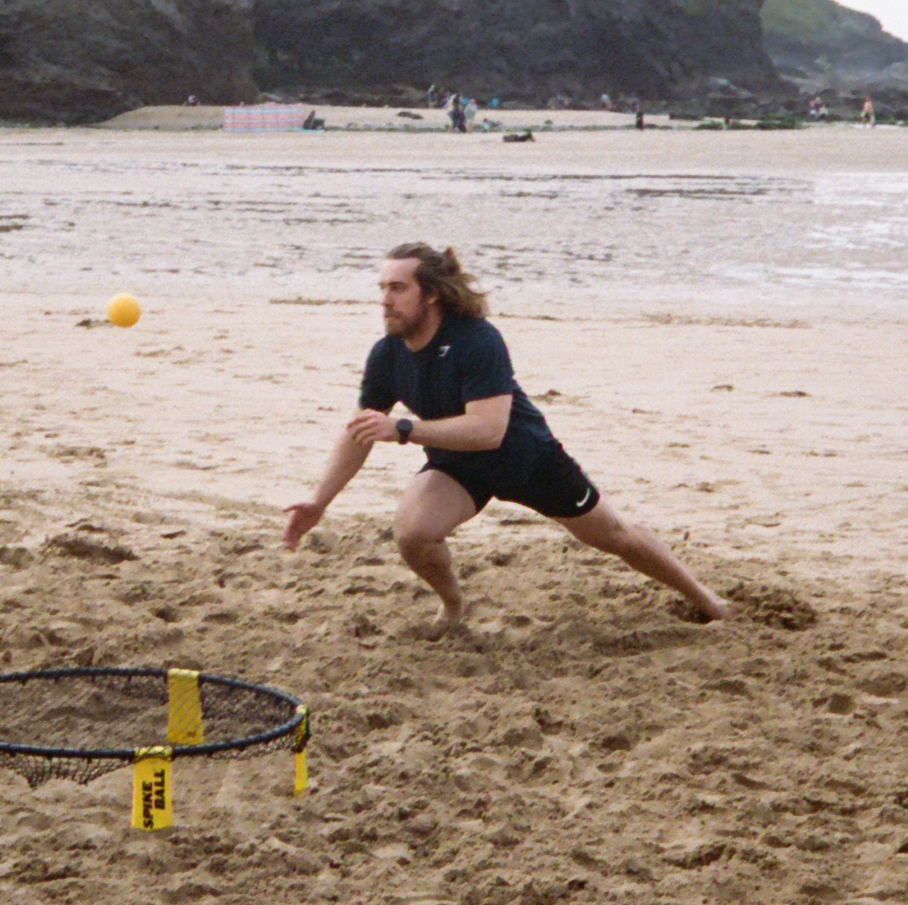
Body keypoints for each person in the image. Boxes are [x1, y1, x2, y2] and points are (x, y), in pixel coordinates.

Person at [283, 243, 730, 628]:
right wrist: (319, 502)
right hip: (457, 464)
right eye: (381, 289)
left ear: (432, 294)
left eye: (397, 289)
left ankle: (706, 600)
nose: (384, 301)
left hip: (525, 458)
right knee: (413, 533)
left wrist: (403, 429)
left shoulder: (477, 340)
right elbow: (359, 430)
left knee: (615, 536)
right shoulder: (386, 354)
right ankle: (454, 605)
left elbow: (488, 430)